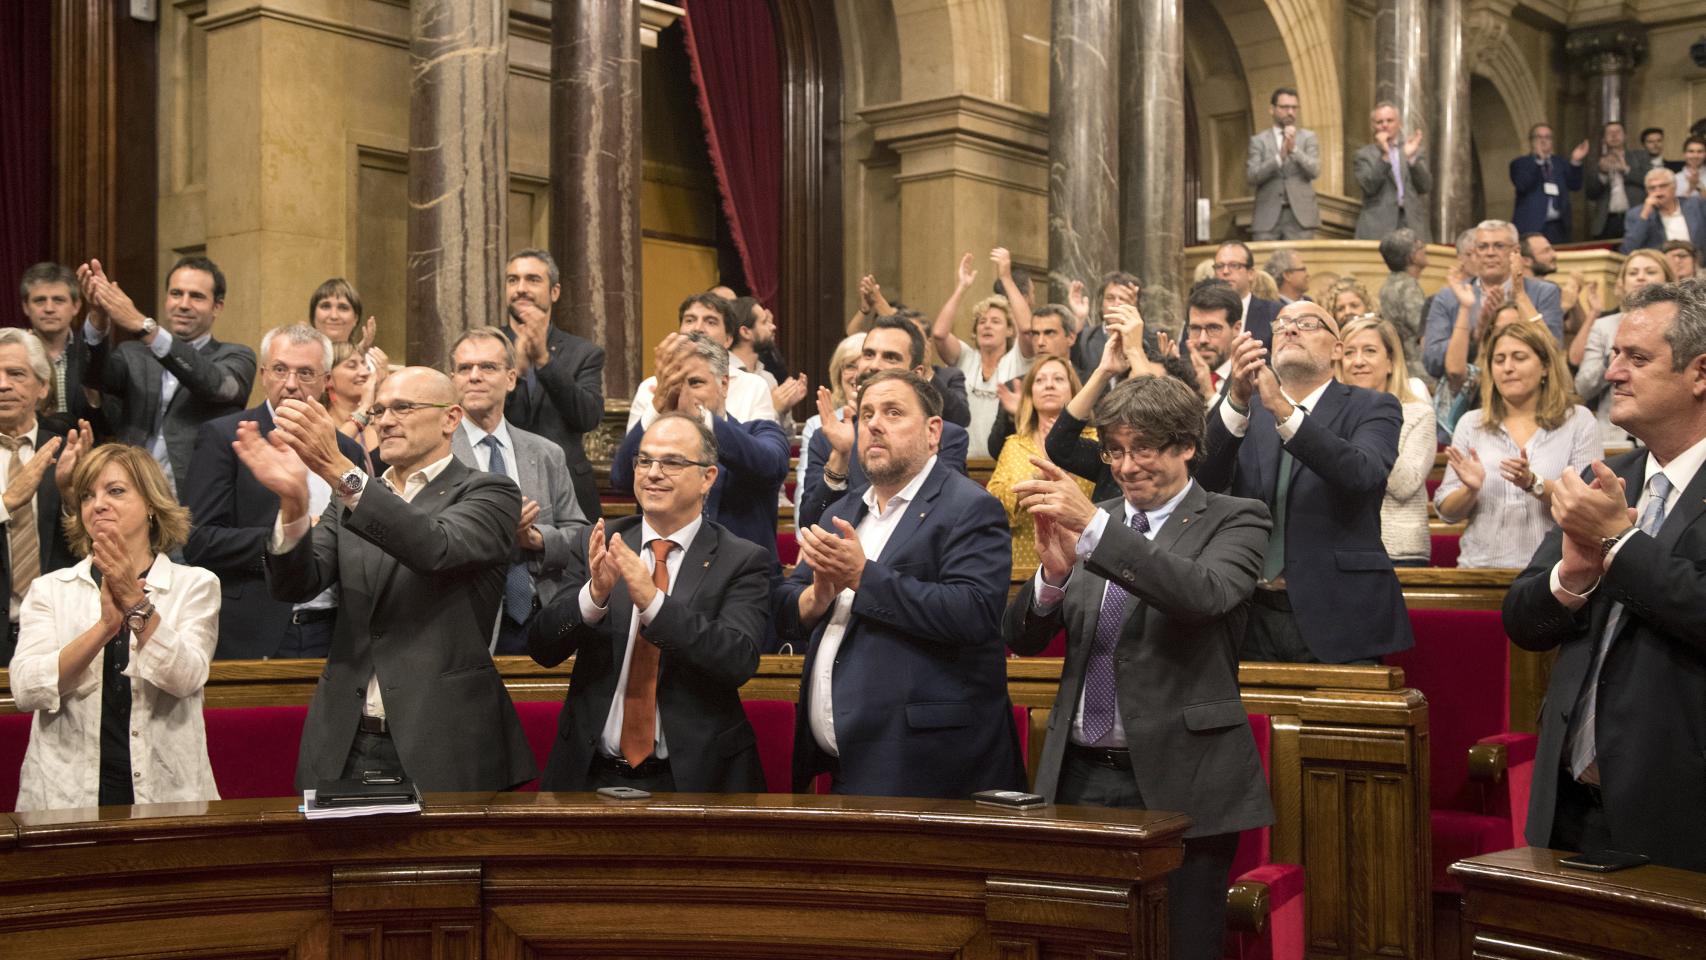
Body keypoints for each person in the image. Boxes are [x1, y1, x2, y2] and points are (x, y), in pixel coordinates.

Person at [1005, 374, 1274, 960]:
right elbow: (1021, 638)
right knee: (1081, 942)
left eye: (1144, 449)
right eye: (1115, 450)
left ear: (1186, 446)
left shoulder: (1236, 517)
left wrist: (1097, 532)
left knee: (1180, 944)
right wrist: (1051, 577)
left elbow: (1201, 595)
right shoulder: (1092, 519)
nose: (1127, 467)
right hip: (1077, 773)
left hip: (1183, 777)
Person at [240, 366, 534, 791]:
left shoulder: (490, 492)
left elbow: (436, 547)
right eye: (379, 410)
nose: (387, 420)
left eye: (403, 407)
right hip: (346, 737)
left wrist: (340, 471)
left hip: (443, 736)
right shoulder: (354, 499)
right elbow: (294, 586)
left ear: (450, 418)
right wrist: (293, 503)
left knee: (445, 860)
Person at [1503, 278, 1706, 872]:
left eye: (1637, 358)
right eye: (1614, 354)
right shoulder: (1606, 477)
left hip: (1679, 809)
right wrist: (1572, 576)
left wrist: (1620, 542)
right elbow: (1522, 620)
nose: (1612, 372)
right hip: (1568, 802)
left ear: (1700, 373)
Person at [778, 369, 1024, 798]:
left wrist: (862, 576)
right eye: (867, 413)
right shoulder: (843, 510)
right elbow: (787, 604)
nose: (874, 424)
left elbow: (973, 613)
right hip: (840, 765)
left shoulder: (970, 507)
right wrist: (816, 597)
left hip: (927, 766)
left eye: (893, 412)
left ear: (933, 432)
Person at [526, 413, 770, 792]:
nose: (653, 473)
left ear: (708, 478)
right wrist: (594, 597)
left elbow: (737, 659)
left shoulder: (741, 559)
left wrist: (653, 603)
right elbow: (543, 647)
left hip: (694, 779)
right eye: (644, 460)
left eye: (671, 462)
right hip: (591, 774)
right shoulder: (601, 541)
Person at [1198, 301, 1412, 663]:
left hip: (1341, 611)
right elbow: (1202, 482)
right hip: (1249, 611)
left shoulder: (1373, 406)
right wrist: (1235, 398)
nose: (1290, 330)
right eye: (1281, 325)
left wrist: (1283, 409)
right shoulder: (1245, 409)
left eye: (1308, 324)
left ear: (1338, 350)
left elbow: (1361, 473)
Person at [9, 443, 218, 811]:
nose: (98, 504)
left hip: (166, 792)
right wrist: (105, 628)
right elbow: (26, 689)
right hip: (64, 793)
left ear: (152, 504)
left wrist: (136, 604)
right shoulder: (50, 590)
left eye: (116, 491)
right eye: (87, 495)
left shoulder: (195, 585)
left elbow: (186, 677)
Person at [181, 324, 369, 659]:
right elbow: (199, 541)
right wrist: (290, 539)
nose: (292, 384)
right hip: (255, 627)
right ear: (264, 374)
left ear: (326, 381)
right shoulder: (226, 437)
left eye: (305, 372)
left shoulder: (346, 451)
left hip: (334, 628)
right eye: (281, 370)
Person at [449, 328, 589, 655]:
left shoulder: (545, 453)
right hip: (468, 619)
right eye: (464, 368)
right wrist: (497, 531)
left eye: (487, 367)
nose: (474, 377)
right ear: (452, 379)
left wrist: (537, 539)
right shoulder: (438, 452)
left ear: (511, 378)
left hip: (544, 615)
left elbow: (580, 536)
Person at [74, 256, 258, 497]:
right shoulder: (132, 353)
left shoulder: (236, 357)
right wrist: (98, 317)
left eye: (197, 296)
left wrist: (144, 326)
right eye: (176, 293)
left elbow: (216, 386)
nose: (183, 304)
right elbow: (93, 376)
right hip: (129, 492)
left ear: (217, 307)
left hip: (194, 501)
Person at [609, 333, 789, 577]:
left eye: (695, 383)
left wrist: (700, 417)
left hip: (741, 586)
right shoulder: (657, 443)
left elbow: (770, 465)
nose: (683, 394)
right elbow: (620, 478)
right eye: (674, 384)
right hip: (663, 580)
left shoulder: (759, 432)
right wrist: (657, 406)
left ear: (724, 385)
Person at [1436, 320, 1598, 568]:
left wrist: (1533, 483)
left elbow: (1588, 505)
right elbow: (1447, 512)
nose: (1507, 367)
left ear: (1545, 367)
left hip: (1552, 571)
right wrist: (1469, 490)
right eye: (1499, 360)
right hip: (1479, 568)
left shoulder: (1578, 420)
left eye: (1519, 357)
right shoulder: (1471, 423)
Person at [795, 315, 971, 530]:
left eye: (890, 357)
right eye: (868, 354)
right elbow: (811, 523)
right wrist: (840, 458)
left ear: (917, 374)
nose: (874, 365)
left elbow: (944, 516)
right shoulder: (827, 437)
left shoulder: (946, 436)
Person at [501, 249, 606, 521]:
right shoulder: (486, 347)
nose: (520, 288)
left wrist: (544, 362)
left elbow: (587, 416)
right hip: (501, 479)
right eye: (513, 280)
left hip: (566, 487)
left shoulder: (584, 352)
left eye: (532, 279)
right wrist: (517, 370)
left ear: (555, 291)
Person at [0, 329, 79, 666]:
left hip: (59, 632)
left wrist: (72, 499)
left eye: (16, 374)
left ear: (43, 386)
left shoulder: (69, 452)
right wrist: (5, 503)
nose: (2, 384)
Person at [1339, 317, 1434, 566]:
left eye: (1369, 351)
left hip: (1400, 551)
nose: (1358, 361)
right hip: (1341, 544)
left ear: (1391, 361)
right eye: (1349, 352)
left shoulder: (1418, 412)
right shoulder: (1330, 414)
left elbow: (1405, 486)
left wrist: (1371, 432)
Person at [987, 356, 1095, 573]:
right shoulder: (1014, 444)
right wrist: (1035, 480)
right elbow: (992, 501)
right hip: (1023, 564)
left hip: (1086, 563)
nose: (1049, 385)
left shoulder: (1095, 441)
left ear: (1075, 391)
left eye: (1058, 379)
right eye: (1040, 380)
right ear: (1030, 394)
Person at [1423, 219, 1565, 381]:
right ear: (1474, 253)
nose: (1490, 253)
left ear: (1516, 251)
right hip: (1469, 395)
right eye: (1482, 247)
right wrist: (1476, 335)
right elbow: (1432, 361)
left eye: (1499, 246)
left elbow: (1554, 351)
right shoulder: (1449, 296)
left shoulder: (1544, 292)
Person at [931, 253, 1034, 458]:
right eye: (982, 321)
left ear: (1009, 330)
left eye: (995, 321)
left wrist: (1006, 279)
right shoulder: (966, 357)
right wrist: (962, 286)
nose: (987, 325)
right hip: (964, 462)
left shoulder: (1018, 358)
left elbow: (1027, 329)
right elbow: (939, 334)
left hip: (1006, 462)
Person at [628, 293, 776, 431]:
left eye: (711, 322)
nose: (698, 328)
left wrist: (706, 418)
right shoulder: (650, 388)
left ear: (728, 339)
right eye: (690, 320)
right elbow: (631, 456)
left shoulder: (753, 387)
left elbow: (759, 452)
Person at [1573, 250, 1674, 448]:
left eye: (1650, 271)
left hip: (1667, 431)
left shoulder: (1681, 326)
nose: (1641, 277)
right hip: (1613, 438)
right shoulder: (1603, 327)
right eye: (1633, 272)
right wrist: (1607, 362)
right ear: (1621, 283)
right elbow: (1582, 388)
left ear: (1667, 280)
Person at [18, 262, 102, 434]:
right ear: (26, 307)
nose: (49, 309)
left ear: (76, 306)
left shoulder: (92, 353)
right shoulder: (13, 355)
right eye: (40, 300)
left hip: (86, 451)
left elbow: (109, 421)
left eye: (58, 300)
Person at [1248, 86, 1321, 241]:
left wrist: (1294, 149)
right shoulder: (1259, 141)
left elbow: (1314, 170)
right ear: (1272, 109)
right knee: (1265, 264)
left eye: (1294, 108)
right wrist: (1278, 159)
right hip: (1267, 216)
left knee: (1301, 263)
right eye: (1284, 107)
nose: (1290, 112)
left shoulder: (1308, 137)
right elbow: (1252, 176)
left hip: (1301, 217)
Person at [797, 335, 863, 504]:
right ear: (838, 374)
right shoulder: (817, 425)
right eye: (850, 366)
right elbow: (806, 501)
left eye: (863, 366)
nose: (857, 375)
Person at [1354, 101, 1432, 241]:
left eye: (1389, 120)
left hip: (1411, 224)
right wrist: (1385, 156)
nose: (1384, 125)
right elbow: (1369, 187)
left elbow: (1425, 186)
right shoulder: (1364, 155)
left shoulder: (1414, 150)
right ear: (1374, 127)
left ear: (1399, 123)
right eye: (1379, 122)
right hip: (1378, 226)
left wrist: (1411, 159)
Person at [1510, 124, 1589, 245]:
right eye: (1539, 137)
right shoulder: (1520, 163)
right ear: (1531, 141)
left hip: (1558, 226)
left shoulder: (1560, 163)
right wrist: (1539, 161)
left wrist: (1575, 161)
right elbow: (1523, 185)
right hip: (1532, 225)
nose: (1543, 140)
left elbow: (1575, 185)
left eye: (1547, 137)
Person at [1377, 228, 1429, 381]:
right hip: (1418, 371)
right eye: (1420, 246)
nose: (1425, 249)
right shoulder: (1408, 286)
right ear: (1412, 257)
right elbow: (1422, 328)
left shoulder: (1388, 284)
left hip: (1401, 367)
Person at [1208, 243, 1280, 347]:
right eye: (1219, 266)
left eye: (1234, 265)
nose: (1225, 271)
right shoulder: (1201, 312)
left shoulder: (1273, 313)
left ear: (1250, 273)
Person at [1622, 167, 1706, 254]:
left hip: (1698, 263)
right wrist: (1645, 215)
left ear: (1674, 186)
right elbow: (1628, 249)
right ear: (1647, 191)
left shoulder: (1697, 205)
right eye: (1652, 188)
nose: (1658, 191)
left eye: (1663, 186)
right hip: (1662, 265)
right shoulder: (1637, 214)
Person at [1585, 122, 1646, 241]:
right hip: (1607, 221)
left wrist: (1626, 169)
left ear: (1625, 136)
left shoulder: (1639, 156)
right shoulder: (1596, 162)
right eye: (1609, 133)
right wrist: (1602, 173)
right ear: (1604, 139)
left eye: (1617, 132)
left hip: (1634, 217)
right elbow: (1590, 193)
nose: (1614, 135)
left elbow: (1648, 180)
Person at [326, 339, 385, 459]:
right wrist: (365, 408)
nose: (365, 372)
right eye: (352, 366)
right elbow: (328, 452)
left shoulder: (382, 419)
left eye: (365, 365)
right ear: (328, 378)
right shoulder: (318, 421)